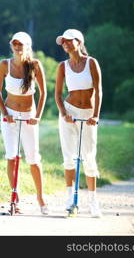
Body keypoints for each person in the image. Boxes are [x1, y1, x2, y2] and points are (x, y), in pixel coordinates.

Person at [0, 31, 48, 215]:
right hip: (10, 116)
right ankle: (14, 197)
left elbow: (43, 93)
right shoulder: (4, 65)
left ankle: (40, 197)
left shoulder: (35, 65)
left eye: (21, 44)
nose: (18, 47)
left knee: (33, 159)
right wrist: (4, 113)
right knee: (12, 156)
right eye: (15, 44)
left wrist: (37, 116)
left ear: (28, 46)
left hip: (29, 116)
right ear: (11, 46)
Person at [54, 28, 103, 217]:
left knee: (89, 158)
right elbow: (58, 94)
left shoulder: (91, 63)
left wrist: (96, 115)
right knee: (69, 157)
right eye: (63, 41)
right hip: (69, 112)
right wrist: (64, 113)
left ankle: (93, 202)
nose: (65, 44)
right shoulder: (62, 66)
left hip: (88, 114)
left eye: (68, 40)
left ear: (79, 42)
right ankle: (70, 199)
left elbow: (98, 90)